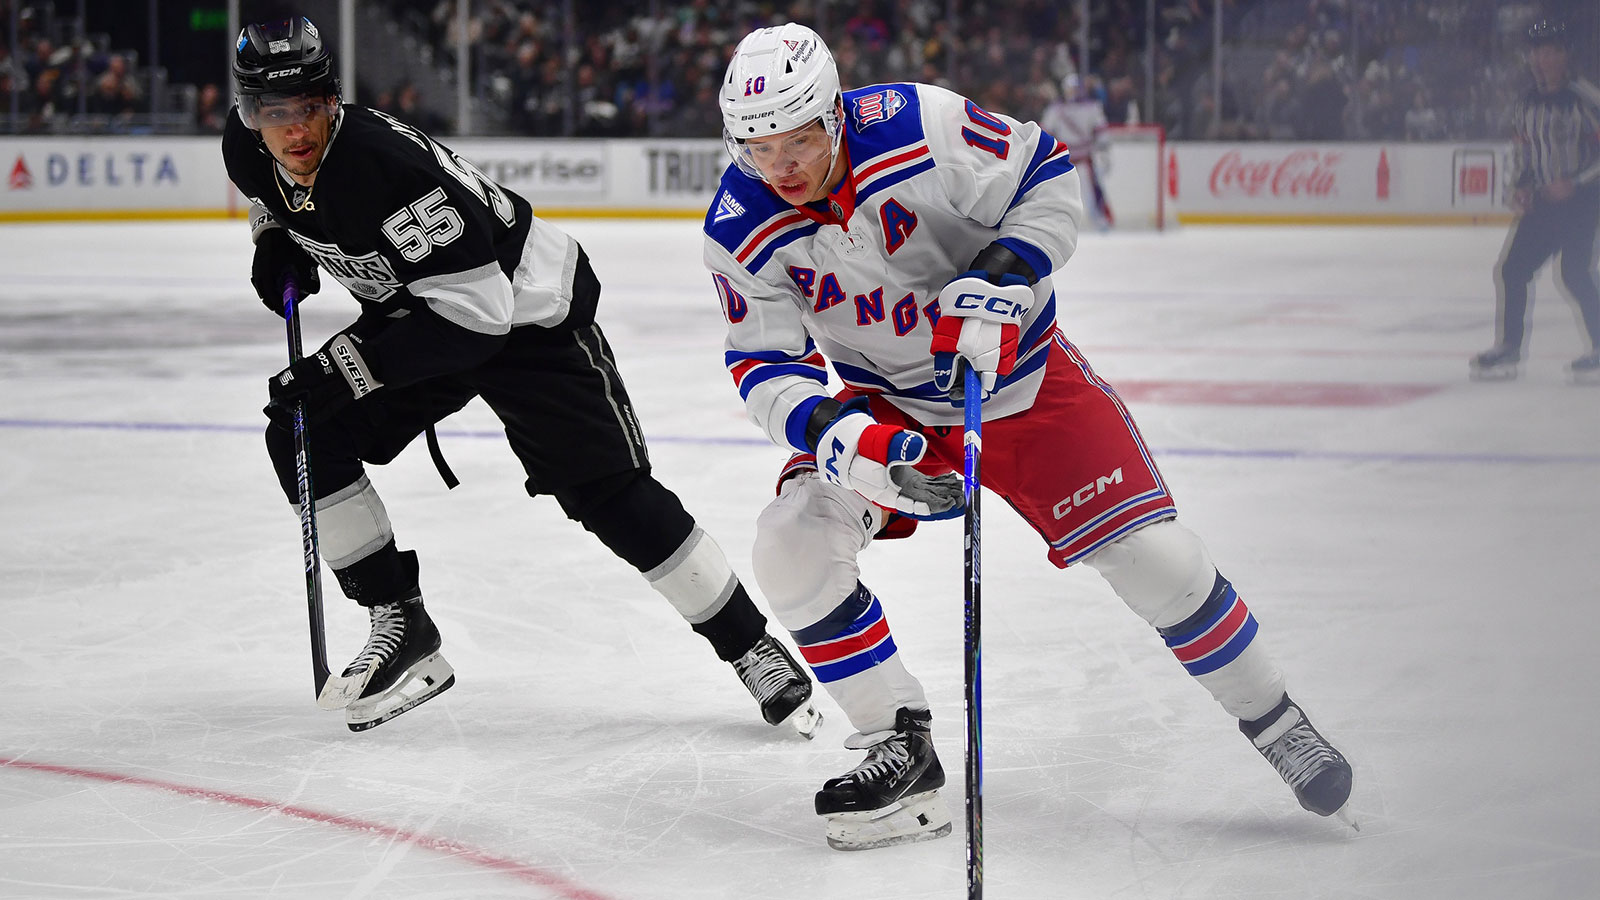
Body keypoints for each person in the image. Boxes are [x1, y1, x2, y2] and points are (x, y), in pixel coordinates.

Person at [704, 23, 1355, 850]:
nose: (782, 166)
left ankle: (1276, 720)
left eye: (798, 140)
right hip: (890, 408)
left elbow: (1044, 177)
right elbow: (764, 363)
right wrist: (843, 435)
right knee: (790, 543)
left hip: (1025, 382)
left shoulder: (917, 123)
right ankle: (899, 746)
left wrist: (1002, 276)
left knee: (1158, 560)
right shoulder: (738, 224)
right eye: (760, 148)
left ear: (836, 114)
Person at [222, 16, 820, 735]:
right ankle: (401, 622)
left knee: (610, 494)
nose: (294, 130)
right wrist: (273, 238)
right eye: (273, 112)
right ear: (248, 113)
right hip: (425, 308)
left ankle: (752, 648)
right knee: (302, 430)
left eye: (309, 107)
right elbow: (271, 195)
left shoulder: (387, 169)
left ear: (333, 99)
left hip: (524, 317)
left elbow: (478, 316)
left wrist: (349, 368)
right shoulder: (247, 148)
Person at [1471, 19, 1600, 383]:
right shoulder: (1526, 103)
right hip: (1545, 201)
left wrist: (1575, 182)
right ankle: (1509, 348)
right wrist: (1520, 185)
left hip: (1583, 200)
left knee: (1574, 272)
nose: (1543, 59)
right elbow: (1524, 152)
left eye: (1550, 51)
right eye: (1537, 52)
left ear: (1564, 55)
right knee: (1513, 269)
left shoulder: (1584, 97)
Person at [1040, 74, 1113, 230]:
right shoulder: (1056, 109)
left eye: (1074, 89)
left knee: (1093, 191)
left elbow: (1100, 129)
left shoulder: (1091, 107)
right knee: (1056, 190)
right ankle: (1052, 221)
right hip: (1064, 155)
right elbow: (1045, 131)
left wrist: (1103, 148)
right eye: (1070, 89)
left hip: (1085, 155)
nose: (1072, 92)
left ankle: (1101, 219)